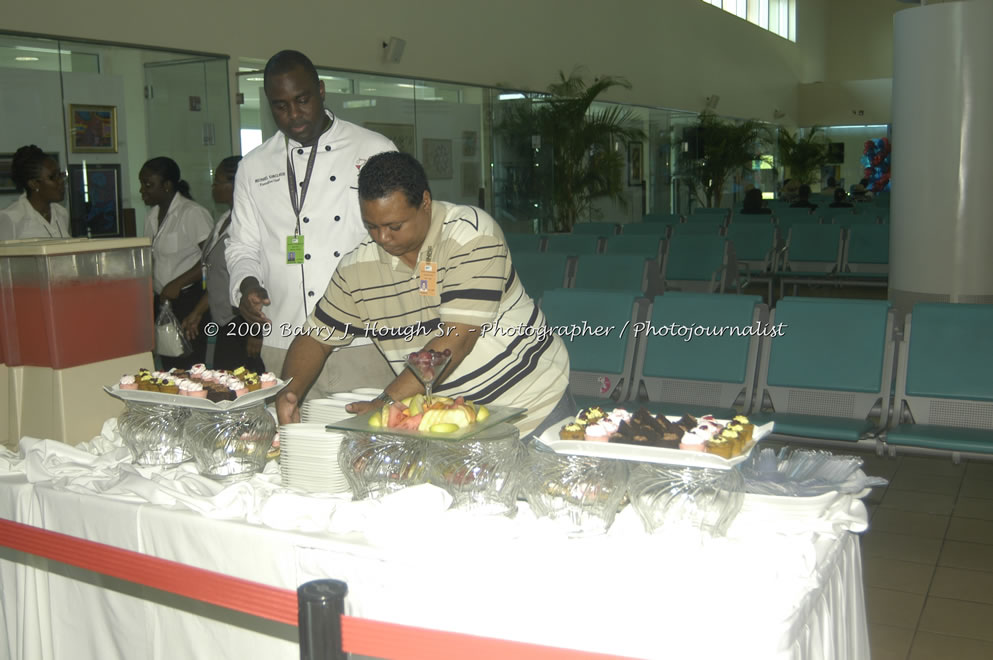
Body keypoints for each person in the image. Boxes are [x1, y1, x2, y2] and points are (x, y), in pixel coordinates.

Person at [275, 151, 573, 436]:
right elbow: (315, 336)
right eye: (372, 227)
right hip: (452, 422)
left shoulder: (471, 235)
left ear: (425, 203)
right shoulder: (357, 268)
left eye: (394, 226)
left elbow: (457, 339)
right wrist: (290, 390)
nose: (383, 238)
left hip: (532, 406)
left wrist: (386, 404)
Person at [226, 49, 397, 398]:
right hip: (284, 338)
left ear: (320, 90)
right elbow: (242, 244)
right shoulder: (254, 166)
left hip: (362, 340)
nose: (293, 115)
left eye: (302, 100)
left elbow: (403, 237)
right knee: (293, 445)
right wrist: (245, 285)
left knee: (367, 446)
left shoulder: (374, 150)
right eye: (280, 105)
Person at [180, 156, 265, 372]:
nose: (213, 187)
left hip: (244, 321)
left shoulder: (252, 223)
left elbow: (263, 279)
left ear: (236, 184)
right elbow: (220, 276)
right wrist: (198, 312)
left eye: (218, 182)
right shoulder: (224, 219)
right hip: (224, 321)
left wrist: (256, 331)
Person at [141, 156, 213, 370]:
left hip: (188, 300)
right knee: (168, 363)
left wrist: (178, 282)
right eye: (142, 184)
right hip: (163, 302)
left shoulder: (192, 213)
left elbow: (211, 260)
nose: (142, 190)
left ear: (167, 186)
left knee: (190, 365)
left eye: (148, 185)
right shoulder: (151, 216)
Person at [0, 145, 70, 240]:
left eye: (61, 174)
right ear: (34, 184)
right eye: (53, 177)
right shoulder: (11, 218)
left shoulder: (62, 213)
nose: (61, 181)